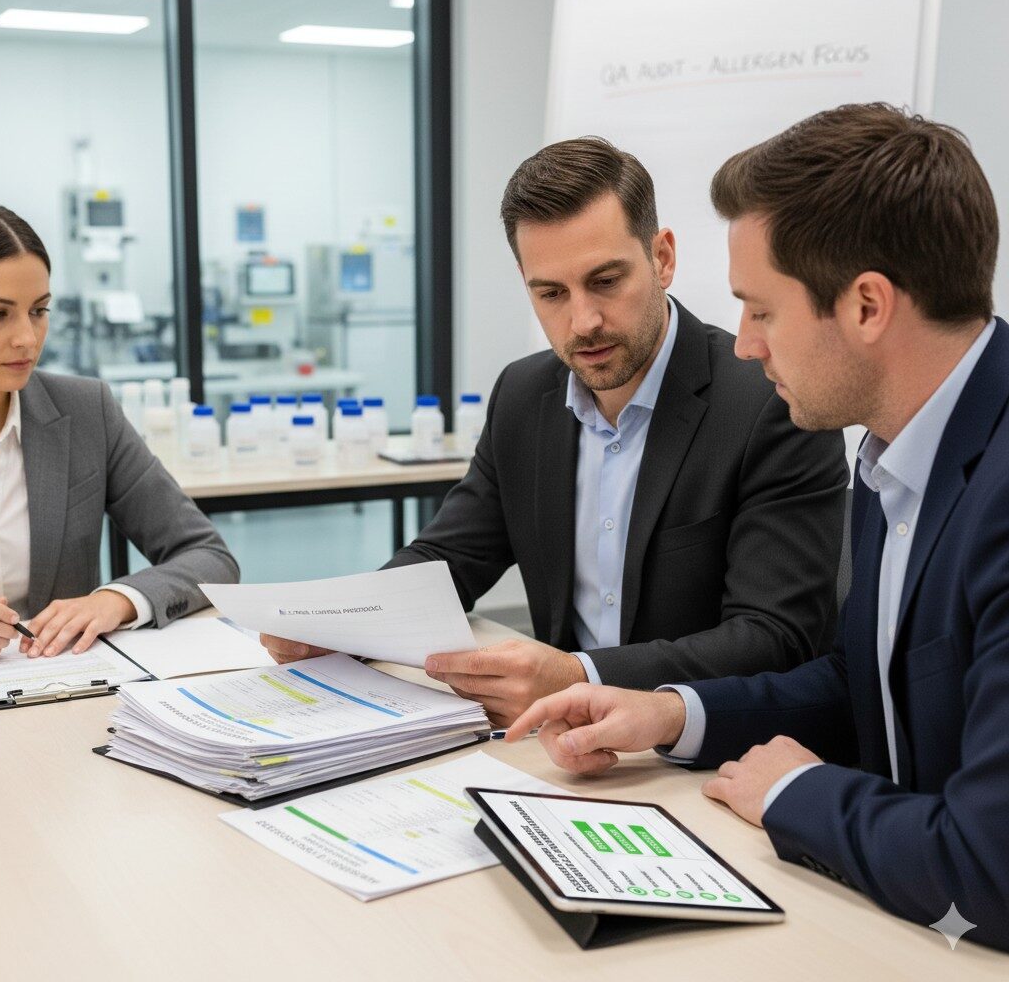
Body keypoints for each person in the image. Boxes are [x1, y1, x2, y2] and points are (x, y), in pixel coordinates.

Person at [506, 104, 1009, 952]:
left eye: (762, 311)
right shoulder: (895, 452)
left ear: (867, 306)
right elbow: (862, 688)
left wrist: (794, 794)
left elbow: (989, 869)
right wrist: (670, 713)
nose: (743, 346)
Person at [262, 139, 848, 725]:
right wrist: (344, 624)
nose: (583, 321)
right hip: (558, 745)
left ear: (662, 257)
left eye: (606, 281)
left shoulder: (768, 402)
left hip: (705, 747)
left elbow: (773, 637)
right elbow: (451, 556)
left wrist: (580, 677)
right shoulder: (524, 396)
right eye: (551, 294)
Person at [0, 202, 239, 662]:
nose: (27, 338)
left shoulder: (84, 412)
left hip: (59, 689)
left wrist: (115, 601)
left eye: (39, 311)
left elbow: (208, 557)